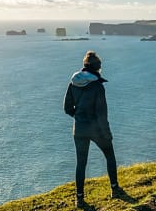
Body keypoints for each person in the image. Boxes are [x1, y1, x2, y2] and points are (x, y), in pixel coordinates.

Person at [64, 50, 122, 208]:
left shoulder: (73, 83)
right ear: (97, 68)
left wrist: (79, 117)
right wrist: (107, 133)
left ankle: (79, 198)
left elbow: (67, 108)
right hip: (96, 129)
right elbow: (102, 114)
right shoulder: (97, 86)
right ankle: (115, 189)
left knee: (81, 163)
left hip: (80, 129)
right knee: (110, 155)